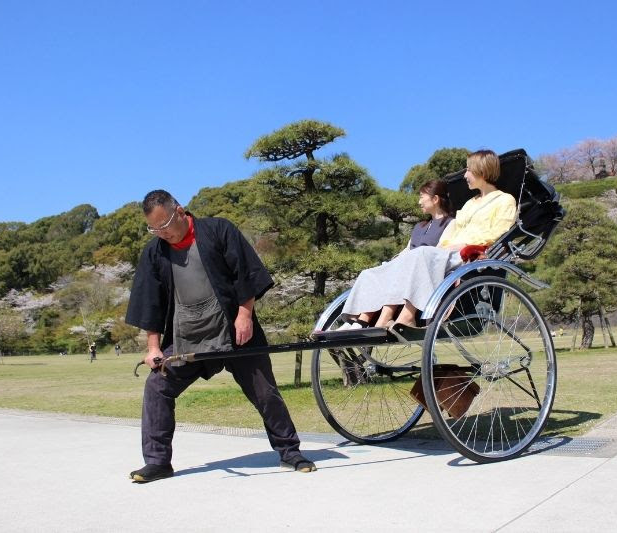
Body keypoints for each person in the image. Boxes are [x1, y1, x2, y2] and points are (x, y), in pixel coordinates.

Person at [123, 190, 313, 483]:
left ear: (180, 210)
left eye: (166, 225)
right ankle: (158, 462)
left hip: (234, 328)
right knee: (157, 387)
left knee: (265, 392)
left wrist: (245, 315)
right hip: (187, 335)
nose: (163, 233)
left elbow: (245, 274)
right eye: (155, 229)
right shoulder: (154, 251)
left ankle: (290, 452)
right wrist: (153, 347)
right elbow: (151, 302)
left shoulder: (218, 230)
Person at [338, 150, 518, 330]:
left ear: (483, 171)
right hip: (449, 251)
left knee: (421, 254)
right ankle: (358, 321)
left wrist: (463, 245)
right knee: (380, 269)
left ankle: (407, 317)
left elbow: (498, 233)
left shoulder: (505, 200)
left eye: (469, 170)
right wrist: (445, 247)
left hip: (472, 253)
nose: (465, 175)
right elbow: (454, 232)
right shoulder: (470, 203)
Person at [347, 177, 456, 327]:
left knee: (415, 257)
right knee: (371, 273)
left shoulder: (451, 223)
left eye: (421, 197)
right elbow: (407, 250)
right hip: (410, 265)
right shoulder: (420, 226)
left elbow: (440, 253)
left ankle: (384, 318)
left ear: (435, 199)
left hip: (425, 269)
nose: (419, 202)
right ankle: (359, 321)